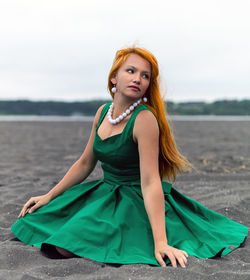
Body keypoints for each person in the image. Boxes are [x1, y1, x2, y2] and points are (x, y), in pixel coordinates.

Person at [11, 47, 248, 268]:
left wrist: (161, 242)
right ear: (114, 77)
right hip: (104, 192)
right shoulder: (103, 112)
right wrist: (50, 195)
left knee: (62, 246)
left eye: (145, 76)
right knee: (33, 221)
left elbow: (151, 181)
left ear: (147, 85)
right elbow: (85, 163)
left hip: (135, 199)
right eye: (131, 71)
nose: (137, 79)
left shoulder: (144, 120)